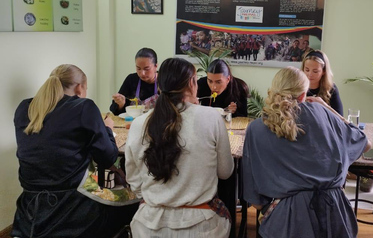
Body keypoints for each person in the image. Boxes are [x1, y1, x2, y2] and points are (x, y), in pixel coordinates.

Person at [242, 67, 371, 238]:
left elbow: (255, 201)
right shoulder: (323, 113)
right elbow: (365, 142)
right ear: (303, 95)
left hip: (287, 223)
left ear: (273, 91)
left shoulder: (256, 128)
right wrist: (327, 107)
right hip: (335, 217)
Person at [12, 64, 137, 238]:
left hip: (30, 213)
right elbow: (108, 158)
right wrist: (106, 128)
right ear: (79, 88)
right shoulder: (84, 107)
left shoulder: (24, 108)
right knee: (134, 203)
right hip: (76, 211)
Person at [125, 58, 234, 237]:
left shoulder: (139, 124)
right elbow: (225, 171)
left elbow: (134, 181)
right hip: (202, 225)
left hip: (149, 225)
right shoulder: (211, 118)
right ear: (192, 83)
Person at [110, 47, 159, 115]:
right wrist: (121, 104)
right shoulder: (131, 80)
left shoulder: (164, 81)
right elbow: (115, 110)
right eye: (138, 68)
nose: (142, 73)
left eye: (146, 69)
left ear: (156, 66)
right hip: (133, 123)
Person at [302, 49, 344, 116]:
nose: (310, 74)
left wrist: (323, 104)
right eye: (307, 70)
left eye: (315, 71)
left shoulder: (331, 88)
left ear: (324, 72)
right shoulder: (296, 87)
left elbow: (340, 119)